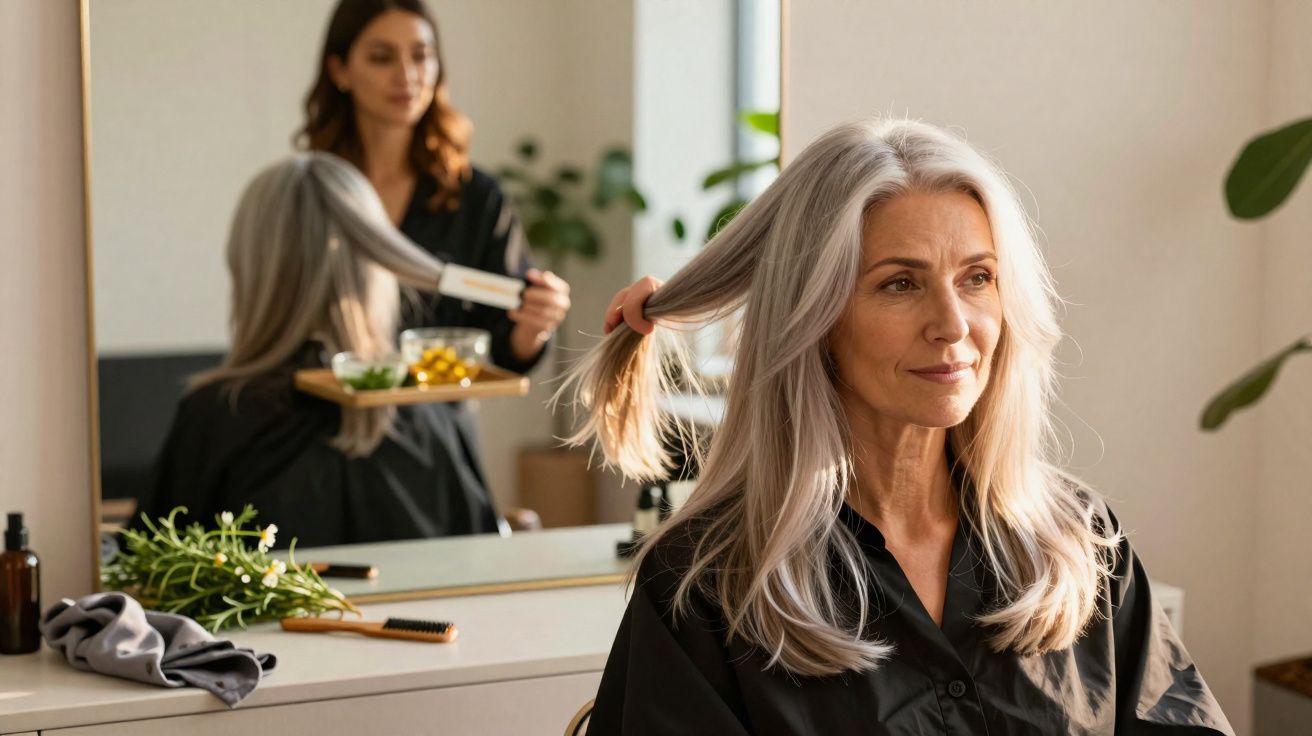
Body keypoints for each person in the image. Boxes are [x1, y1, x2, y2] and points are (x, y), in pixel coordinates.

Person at [559, 118, 1234, 734]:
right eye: (899, 285)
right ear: (816, 319)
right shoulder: (705, 588)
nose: (953, 324)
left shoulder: (1079, 544)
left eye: (977, 279)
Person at [137, 153, 503, 546]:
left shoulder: (221, 413)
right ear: (376, 268)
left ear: (252, 265)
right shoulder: (435, 411)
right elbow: (482, 557)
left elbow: (148, 569)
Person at [298, 0, 570, 374]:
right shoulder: (308, 192)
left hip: (434, 421)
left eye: (421, 56)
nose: (407, 75)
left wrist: (536, 322)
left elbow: (511, 349)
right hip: (322, 416)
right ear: (339, 71)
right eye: (382, 57)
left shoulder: (475, 196)